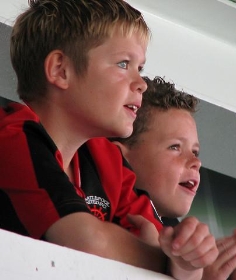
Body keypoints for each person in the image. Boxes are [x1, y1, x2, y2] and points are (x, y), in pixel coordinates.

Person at [0, 1, 219, 279]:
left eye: (140, 67)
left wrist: (184, 262)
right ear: (60, 70)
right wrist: (162, 258)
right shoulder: (12, 139)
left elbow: (177, 257)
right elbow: (88, 242)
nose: (142, 83)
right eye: (123, 64)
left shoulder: (107, 159)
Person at [113, 76, 236, 280]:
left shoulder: (178, 236)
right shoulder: (103, 213)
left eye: (195, 152)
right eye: (175, 147)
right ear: (119, 157)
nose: (196, 162)